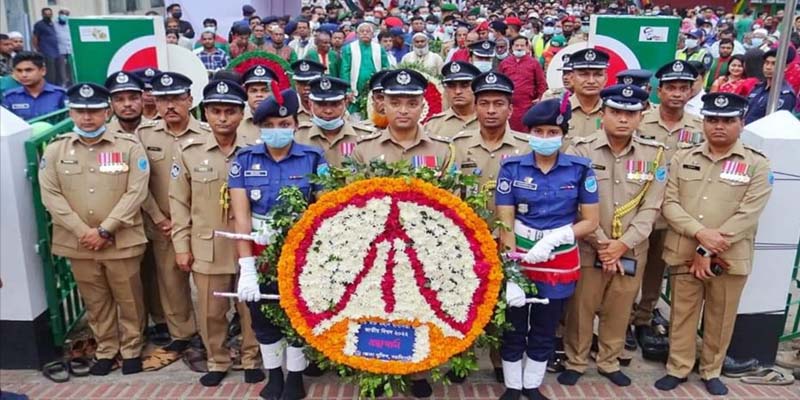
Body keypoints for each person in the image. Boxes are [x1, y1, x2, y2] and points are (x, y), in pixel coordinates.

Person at [654, 92, 773, 396]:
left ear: (741, 123)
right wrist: (699, 234)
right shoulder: (684, 156)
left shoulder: (757, 164)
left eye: (727, 120)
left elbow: (749, 213)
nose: (719, 126)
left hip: (729, 257)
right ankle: (678, 367)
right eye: (713, 120)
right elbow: (669, 202)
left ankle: (711, 369)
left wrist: (707, 247)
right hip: (684, 251)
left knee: (720, 317)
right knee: (682, 312)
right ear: (704, 123)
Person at [352, 68, 453, 398]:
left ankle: (418, 370)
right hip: (377, 247)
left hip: (424, 247)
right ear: (383, 105)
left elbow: (455, 203)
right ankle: (377, 367)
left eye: (412, 103)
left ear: (423, 105)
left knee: (420, 307)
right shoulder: (365, 149)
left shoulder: (443, 149)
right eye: (396, 103)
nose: (404, 110)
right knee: (375, 306)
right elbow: (353, 201)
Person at [38, 82, 150, 376]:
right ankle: (105, 349)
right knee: (96, 300)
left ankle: (131, 349)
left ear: (107, 111)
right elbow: (50, 195)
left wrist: (106, 229)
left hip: (121, 239)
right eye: (80, 111)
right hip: (79, 243)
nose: (87, 118)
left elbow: (136, 192)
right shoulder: (55, 149)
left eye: (94, 111)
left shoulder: (128, 147)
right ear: (71, 112)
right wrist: (81, 231)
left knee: (129, 298)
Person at [560, 84, 666, 388]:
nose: (623, 119)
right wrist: (603, 243)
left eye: (630, 113)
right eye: (616, 112)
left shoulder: (654, 154)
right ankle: (576, 360)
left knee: (620, 307)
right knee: (581, 307)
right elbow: (572, 202)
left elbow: (652, 206)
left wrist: (622, 245)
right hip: (589, 246)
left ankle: (609, 360)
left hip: (631, 249)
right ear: (602, 114)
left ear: (641, 116)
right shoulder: (580, 150)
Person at [495, 97, 600, 400]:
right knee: (515, 325)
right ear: (529, 134)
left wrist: (555, 238)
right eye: (538, 132)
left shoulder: (580, 169)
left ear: (563, 133)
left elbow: (591, 220)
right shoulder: (512, 167)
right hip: (519, 252)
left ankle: (532, 384)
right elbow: (505, 216)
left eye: (551, 132)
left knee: (545, 325)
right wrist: (513, 271)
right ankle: (513, 386)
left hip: (559, 256)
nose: (544, 138)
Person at [230, 88, 326, 400]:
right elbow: (240, 218)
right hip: (259, 251)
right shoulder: (244, 160)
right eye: (269, 125)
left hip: (300, 251)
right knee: (261, 312)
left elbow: (323, 208)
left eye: (284, 124)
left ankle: (295, 375)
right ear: (259, 127)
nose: (277, 131)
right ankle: (274, 374)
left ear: (296, 125)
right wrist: (246, 267)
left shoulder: (313, 158)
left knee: (296, 311)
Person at [169, 80, 264, 387]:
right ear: (205, 112)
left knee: (250, 308)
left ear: (242, 113)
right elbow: (179, 204)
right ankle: (217, 360)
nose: (223, 118)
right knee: (211, 312)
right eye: (216, 111)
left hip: (249, 246)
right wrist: (181, 246)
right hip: (207, 246)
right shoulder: (189, 152)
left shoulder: (255, 150)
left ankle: (251, 358)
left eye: (230, 111)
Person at [633, 60, 705, 352]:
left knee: (656, 271)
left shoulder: (699, 127)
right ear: (658, 91)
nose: (677, 94)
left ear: (690, 92)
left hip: (675, 214)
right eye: (671, 88)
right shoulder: (640, 120)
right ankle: (623, 320)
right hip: (637, 210)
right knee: (632, 268)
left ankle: (644, 318)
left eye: (683, 88)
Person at [137, 72, 204, 370]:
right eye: (163, 99)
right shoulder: (144, 135)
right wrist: (158, 217)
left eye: (177, 98)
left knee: (205, 283)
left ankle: (209, 330)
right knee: (171, 282)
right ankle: (181, 333)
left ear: (190, 100)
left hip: (202, 223)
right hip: (163, 222)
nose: (170, 105)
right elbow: (139, 183)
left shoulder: (208, 132)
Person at [295, 76, 373, 167]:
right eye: (321, 104)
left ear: (345, 103)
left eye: (335, 104)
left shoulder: (364, 137)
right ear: (310, 104)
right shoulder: (298, 137)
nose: (328, 111)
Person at [339, 23, 390, 114]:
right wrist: (347, 90)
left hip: (375, 86)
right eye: (362, 31)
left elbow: (385, 68)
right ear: (357, 34)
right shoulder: (349, 48)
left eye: (368, 31)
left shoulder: (379, 49)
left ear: (373, 34)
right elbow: (345, 70)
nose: (365, 33)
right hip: (356, 88)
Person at [498, 36, 547, 132]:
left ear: (527, 47)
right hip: (507, 104)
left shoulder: (534, 63)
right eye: (517, 45)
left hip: (526, 105)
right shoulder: (504, 63)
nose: (519, 48)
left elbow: (541, 82)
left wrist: (540, 97)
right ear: (512, 47)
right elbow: (499, 81)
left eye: (522, 45)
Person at [2, 52, 66, 120]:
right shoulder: (10, 97)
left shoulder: (60, 95)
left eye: (29, 70)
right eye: (19, 71)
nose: (23, 75)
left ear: (43, 71)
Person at [565, 48, 609, 145]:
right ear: (572, 78)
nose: (591, 81)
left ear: (606, 79)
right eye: (584, 75)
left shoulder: (613, 113)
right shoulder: (557, 111)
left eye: (598, 75)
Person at [425, 61, 481, 137]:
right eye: (451, 86)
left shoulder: (490, 120)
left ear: (476, 87)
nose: (458, 91)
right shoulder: (434, 125)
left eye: (464, 85)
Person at [744, 49, 797, 125]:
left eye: (774, 64)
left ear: (785, 67)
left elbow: (776, 124)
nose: (768, 67)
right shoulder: (758, 88)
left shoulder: (784, 94)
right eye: (766, 63)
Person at [240, 64, 279, 141]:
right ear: (246, 93)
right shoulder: (237, 121)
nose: (259, 95)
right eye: (254, 91)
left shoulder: (284, 122)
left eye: (265, 90)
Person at [291, 59, 324, 126]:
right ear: (296, 85)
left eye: (311, 83)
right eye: (302, 83)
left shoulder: (333, 108)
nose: (306, 88)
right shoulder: (289, 109)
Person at [32, 8, 60, 85]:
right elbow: (35, 37)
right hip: (46, 50)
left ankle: (57, 86)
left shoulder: (53, 24)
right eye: (46, 14)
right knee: (50, 72)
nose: (48, 15)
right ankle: (50, 86)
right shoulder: (39, 24)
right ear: (42, 15)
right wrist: (36, 48)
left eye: (50, 14)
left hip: (56, 51)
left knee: (58, 71)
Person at [54, 8, 72, 87]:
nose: (64, 16)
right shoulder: (54, 24)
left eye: (66, 14)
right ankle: (63, 83)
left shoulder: (70, 23)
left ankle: (72, 81)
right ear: (59, 14)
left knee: (71, 66)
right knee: (61, 67)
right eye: (63, 14)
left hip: (70, 49)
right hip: (60, 48)